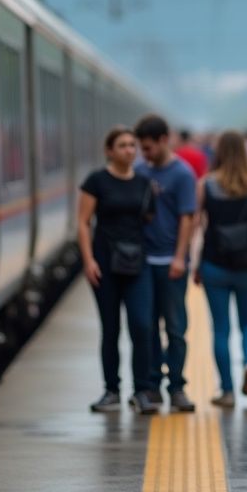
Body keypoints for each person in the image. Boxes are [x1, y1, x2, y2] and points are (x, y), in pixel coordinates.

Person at [196, 130, 247, 408]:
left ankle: (228, 391)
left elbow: (196, 223)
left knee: (220, 329)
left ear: (218, 152)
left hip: (215, 263)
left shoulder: (206, 184)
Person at [76, 127, 157, 413]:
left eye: (132, 146)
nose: (129, 150)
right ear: (109, 151)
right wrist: (88, 261)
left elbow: (149, 218)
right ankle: (111, 390)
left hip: (137, 262)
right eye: (122, 146)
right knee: (110, 328)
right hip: (104, 263)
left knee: (142, 325)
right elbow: (83, 222)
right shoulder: (96, 181)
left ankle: (143, 390)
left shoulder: (145, 183)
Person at [135, 114, 200, 413]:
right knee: (146, 325)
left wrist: (179, 257)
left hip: (170, 261)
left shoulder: (182, 174)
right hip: (142, 262)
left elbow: (188, 217)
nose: (144, 154)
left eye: (148, 148)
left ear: (163, 140)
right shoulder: (139, 171)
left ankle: (176, 386)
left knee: (175, 327)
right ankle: (151, 387)